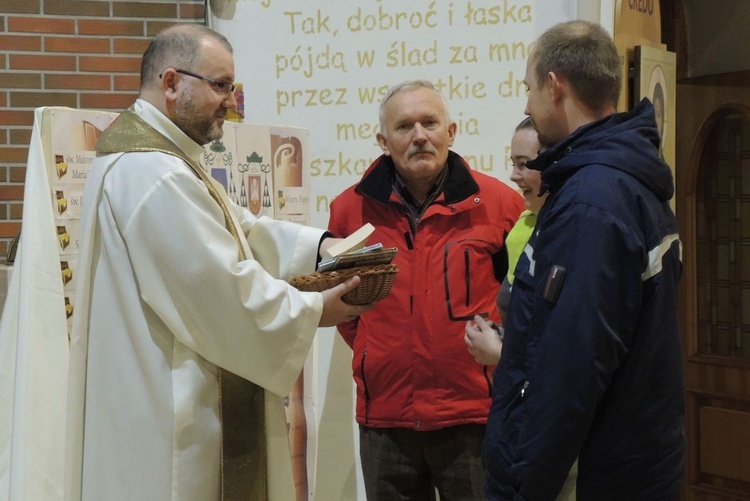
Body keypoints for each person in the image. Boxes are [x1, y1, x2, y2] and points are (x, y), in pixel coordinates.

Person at [64, 24, 371, 501]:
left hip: (162, 399)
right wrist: (312, 311)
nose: (231, 101)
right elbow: (217, 291)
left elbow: (236, 228)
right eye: (221, 85)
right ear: (171, 83)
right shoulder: (154, 175)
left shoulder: (160, 160)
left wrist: (320, 248)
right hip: (170, 418)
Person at [483, 20, 685, 500]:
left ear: (555, 87)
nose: (527, 104)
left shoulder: (591, 203)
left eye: (528, 89)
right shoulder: (628, 180)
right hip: (637, 461)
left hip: (600, 473)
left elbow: (567, 370)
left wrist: (519, 489)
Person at [328, 79, 524, 500]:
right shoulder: (349, 210)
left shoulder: (501, 204)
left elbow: (522, 303)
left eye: (430, 123)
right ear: (384, 141)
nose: (419, 136)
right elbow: (346, 308)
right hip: (386, 420)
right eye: (404, 127)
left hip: (473, 416)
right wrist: (372, 347)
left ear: (450, 133)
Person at [464, 117, 547, 366]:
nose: (513, 175)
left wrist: (500, 355)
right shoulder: (522, 224)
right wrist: (501, 337)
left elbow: (569, 348)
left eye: (524, 164)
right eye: (513, 164)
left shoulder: (576, 228)